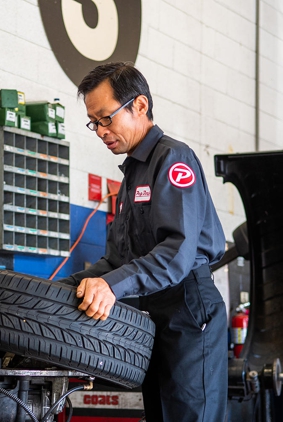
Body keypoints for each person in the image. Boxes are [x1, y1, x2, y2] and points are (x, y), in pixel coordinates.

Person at [59, 62, 228, 422]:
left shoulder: (172, 159)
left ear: (139, 105)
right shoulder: (132, 175)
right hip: (152, 317)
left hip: (188, 309)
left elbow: (176, 254)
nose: (101, 131)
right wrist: (48, 292)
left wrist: (110, 286)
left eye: (106, 118)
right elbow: (117, 260)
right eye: (94, 122)